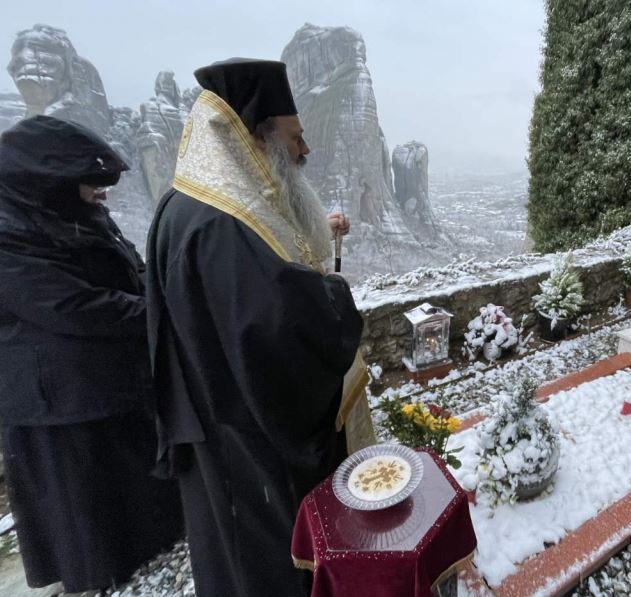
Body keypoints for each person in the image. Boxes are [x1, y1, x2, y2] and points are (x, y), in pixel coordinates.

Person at [146, 58, 369, 597]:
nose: (304, 150)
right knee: (268, 565)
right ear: (255, 137)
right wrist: (334, 297)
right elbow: (278, 332)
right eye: (294, 136)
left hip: (216, 421)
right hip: (246, 439)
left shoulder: (188, 203)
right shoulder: (223, 223)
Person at [0, 115, 183, 596]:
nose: (100, 193)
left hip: (108, 379)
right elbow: (72, 306)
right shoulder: (8, 233)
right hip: (59, 398)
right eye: (89, 182)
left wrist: (163, 294)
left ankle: (148, 558)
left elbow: (131, 269)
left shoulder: (74, 213)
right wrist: (163, 312)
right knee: (88, 507)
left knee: (139, 499)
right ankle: (105, 577)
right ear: (49, 182)